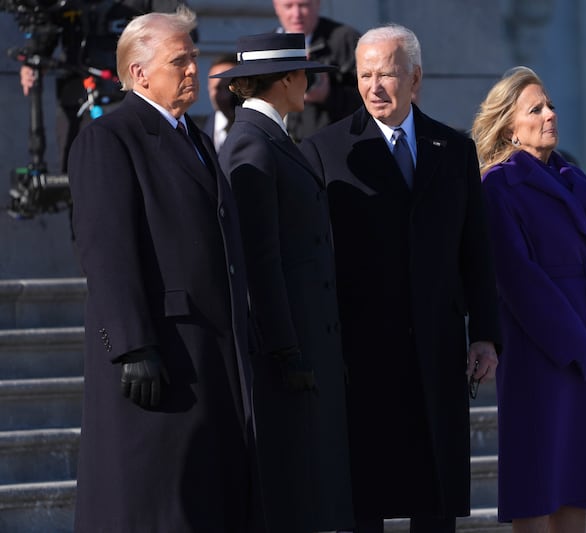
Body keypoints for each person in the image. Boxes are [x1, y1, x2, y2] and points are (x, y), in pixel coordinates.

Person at [299, 24, 501, 533]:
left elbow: (475, 251)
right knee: (364, 502)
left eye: (386, 74)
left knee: (434, 503)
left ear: (416, 78)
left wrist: (485, 334)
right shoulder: (325, 151)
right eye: (365, 75)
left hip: (436, 352)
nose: (373, 86)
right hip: (361, 358)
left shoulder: (454, 150)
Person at [67, 7, 262, 531]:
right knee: (152, 506)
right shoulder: (110, 139)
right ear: (139, 73)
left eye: (195, 58)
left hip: (209, 356)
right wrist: (132, 344)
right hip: (160, 357)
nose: (195, 69)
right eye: (182, 60)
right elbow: (106, 248)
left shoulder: (195, 138)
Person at [472, 66, 586, 532]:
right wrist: (576, 345)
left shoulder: (577, 181)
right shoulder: (497, 185)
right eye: (534, 109)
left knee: (578, 483)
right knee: (538, 483)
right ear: (509, 126)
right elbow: (518, 279)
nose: (550, 114)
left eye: (550, 104)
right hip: (541, 357)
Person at [214, 32, 353, 532]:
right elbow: (259, 259)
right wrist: (285, 349)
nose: (308, 85)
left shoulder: (269, 137)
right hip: (289, 350)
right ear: (288, 80)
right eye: (304, 75)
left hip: (306, 340)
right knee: (294, 494)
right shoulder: (252, 144)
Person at [19, 0, 190, 173]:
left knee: (140, 172)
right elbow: (45, 22)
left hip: (135, 98)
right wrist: (35, 55)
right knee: (78, 175)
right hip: (77, 98)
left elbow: (179, 32)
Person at [272, 0, 361, 142]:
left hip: (331, 146)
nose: (296, 14)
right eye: (288, 6)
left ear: (318, 4)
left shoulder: (344, 40)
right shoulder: (267, 48)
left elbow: (369, 101)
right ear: (276, 6)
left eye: (304, 5)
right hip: (280, 147)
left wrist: (328, 95)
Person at [203, 53, 238, 152]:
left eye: (230, 88)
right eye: (218, 88)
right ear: (209, 89)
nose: (225, 96)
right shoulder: (196, 131)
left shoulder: (259, 128)